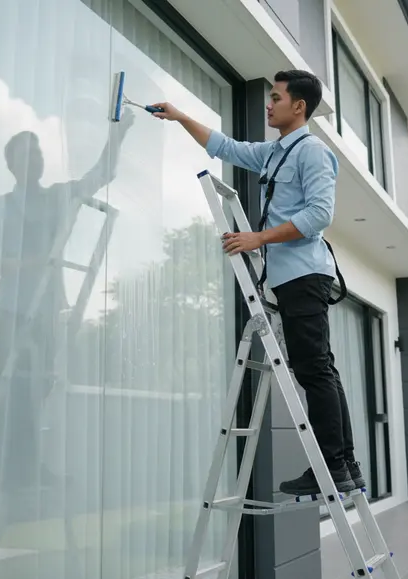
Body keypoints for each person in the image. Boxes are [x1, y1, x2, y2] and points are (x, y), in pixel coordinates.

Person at [150, 70, 361, 496]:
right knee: (319, 369)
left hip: (305, 274)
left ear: (298, 106)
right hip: (289, 279)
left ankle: (334, 466)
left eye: (276, 97)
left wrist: (258, 238)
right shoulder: (274, 152)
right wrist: (179, 116)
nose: (269, 104)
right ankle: (345, 466)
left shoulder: (312, 153)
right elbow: (224, 146)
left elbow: (320, 215)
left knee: (314, 370)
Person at [0, 109, 134, 490]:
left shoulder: (59, 196)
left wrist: (118, 133)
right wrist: (30, 263)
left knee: (40, 384)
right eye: (27, 154)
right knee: (12, 385)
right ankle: (9, 470)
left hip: (48, 308)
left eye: (39, 152)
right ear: (11, 164)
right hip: (14, 308)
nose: (37, 159)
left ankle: (27, 467)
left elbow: (101, 174)